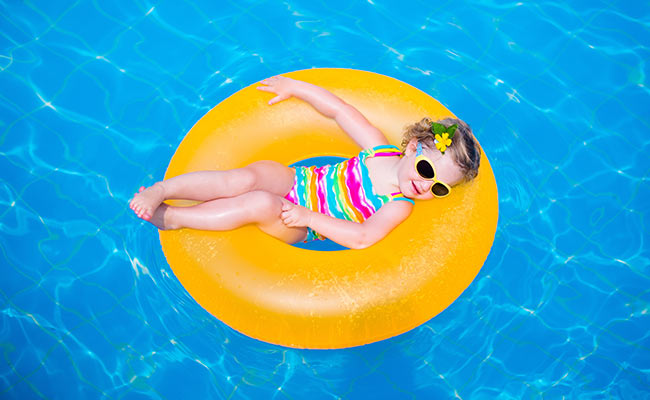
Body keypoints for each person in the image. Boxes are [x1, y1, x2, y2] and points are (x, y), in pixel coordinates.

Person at [128, 75, 481, 249]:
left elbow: (361, 237)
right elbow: (342, 112)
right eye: (426, 171)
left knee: (259, 202)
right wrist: (296, 87)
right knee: (251, 177)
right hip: (298, 182)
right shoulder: (379, 149)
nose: (424, 186)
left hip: (300, 223)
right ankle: (162, 188)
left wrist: (308, 217)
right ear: (413, 147)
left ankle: (175, 218)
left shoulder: (399, 205)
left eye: (438, 188)